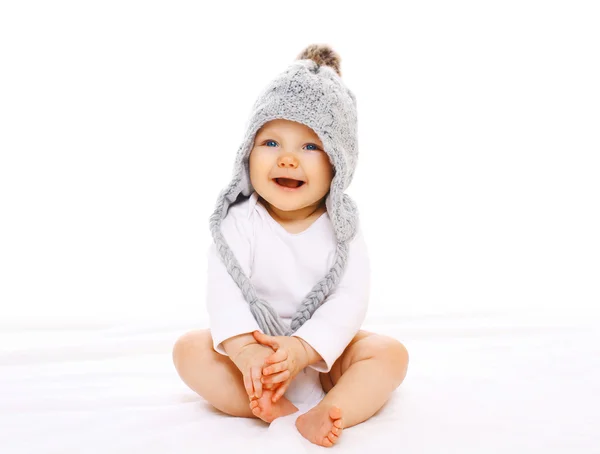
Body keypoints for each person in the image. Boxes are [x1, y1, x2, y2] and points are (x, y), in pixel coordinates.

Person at [172, 43, 409, 448]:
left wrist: (303, 348)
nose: (286, 159)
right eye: (271, 143)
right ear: (247, 152)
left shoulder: (342, 228)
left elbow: (350, 299)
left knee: (389, 354)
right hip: (255, 357)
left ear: (338, 162)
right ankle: (267, 404)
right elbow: (224, 291)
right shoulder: (239, 221)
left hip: (323, 355)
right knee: (189, 350)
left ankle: (331, 408)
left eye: (310, 146)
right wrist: (247, 352)